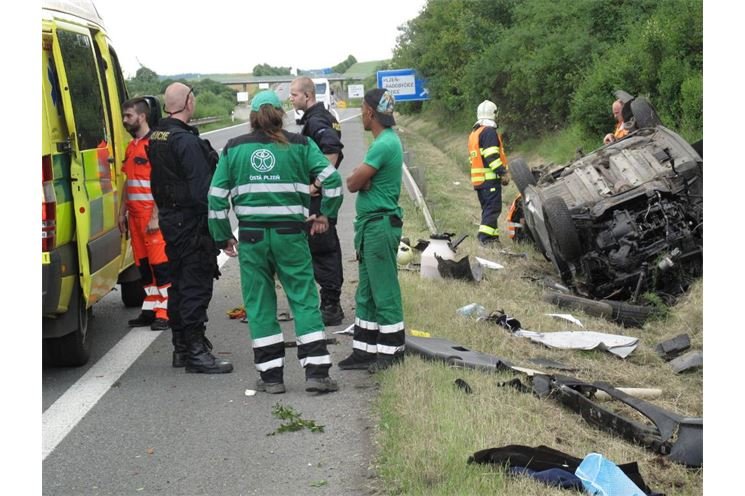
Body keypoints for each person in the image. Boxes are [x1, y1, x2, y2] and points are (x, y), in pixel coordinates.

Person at [208, 90, 343, 394]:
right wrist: (324, 216)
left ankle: (271, 378)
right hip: (291, 235)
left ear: (252, 117)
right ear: (280, 115)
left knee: (259, 305)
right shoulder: (301, 144)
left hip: (252, 237)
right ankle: (317, 373)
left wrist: (223, 236)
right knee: (304, 300)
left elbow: (216, 198)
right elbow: (332, 182)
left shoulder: (233, 149)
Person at [147, 82, 233, 374]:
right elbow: (203, 193)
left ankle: (181, 348)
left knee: (180, 285)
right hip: (192, 223)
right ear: (189, 103)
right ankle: (196, 353)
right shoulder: (186, 142)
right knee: (195, 285)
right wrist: (221, 232)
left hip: (172, 220)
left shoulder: (157, 136)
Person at [338, 88, 405, 373]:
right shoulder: (384, 140)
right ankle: (364, 350)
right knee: (366, 291)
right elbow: (359, 180)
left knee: (384, 290)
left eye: (363, 110)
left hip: (379, 225)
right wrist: (363, 179)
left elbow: (353, 183)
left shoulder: (383, 144)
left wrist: (362, 179)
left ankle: (392, 352)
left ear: (368, 112)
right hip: (370, 227)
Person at [289, 76, 346, 326]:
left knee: (323, 249)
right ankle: (327, 303)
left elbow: (332, 151)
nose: (291, 99)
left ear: (307, 96)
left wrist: (317, 184)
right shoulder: (320, 117)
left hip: (319, 199)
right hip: (320, 197)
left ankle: (331, 306)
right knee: (321, 247)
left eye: (294, 94)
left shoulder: (317, 120)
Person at [118, 97, 170, 331]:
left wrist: (155, 217)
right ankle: (150, 307)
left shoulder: (154, 145)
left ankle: (165, 311)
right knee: (144, 266)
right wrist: (121, 213)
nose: (124, 120)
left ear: (142, 116)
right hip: (134, 217)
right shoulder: (132, 146)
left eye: (128, 116)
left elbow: (162, 184)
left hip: (151, 218)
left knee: (160, 266)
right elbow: (127, 182)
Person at [468, 100, 510, 246]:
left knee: (489, 210)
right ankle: (484, 238)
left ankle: (493, 239)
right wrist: (502, 172)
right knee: (492, 210)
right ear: (494, 113)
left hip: (480, 181)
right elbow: (491, 156)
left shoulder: (475, 132)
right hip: (489, 180)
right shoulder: (489, 132)